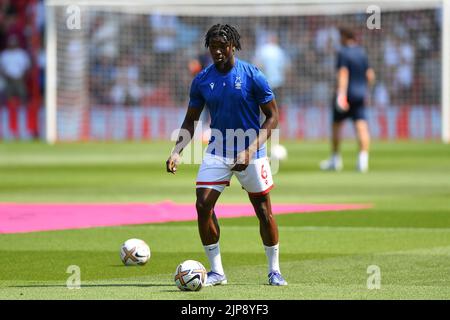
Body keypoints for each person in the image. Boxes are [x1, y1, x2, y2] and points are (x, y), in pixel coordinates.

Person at [166, 24, 287, 286]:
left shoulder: (253, 75)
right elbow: (191, 120)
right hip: (218, 149)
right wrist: (177, 151)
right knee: (202, 205)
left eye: (223, 46)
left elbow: (273, 116)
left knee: (264, 211)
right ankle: (217, 272)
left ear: (233, 46)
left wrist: (251, 148)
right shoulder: (202, 80)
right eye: (213, 47)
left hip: (252, 151)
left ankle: (274, 270)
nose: (218, 51)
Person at [320, 27, 375, 173]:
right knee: (361, 126)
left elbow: (343, 73)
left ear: (345, 36)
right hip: (360, 94)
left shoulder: (343, 52)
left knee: (336, 126)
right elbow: (370, 75)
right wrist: (366, 91)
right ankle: (363, 161)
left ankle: (335, 159)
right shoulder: (362, 52)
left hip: (346, 95)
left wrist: (341, 94)